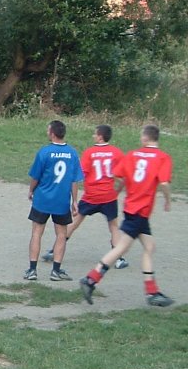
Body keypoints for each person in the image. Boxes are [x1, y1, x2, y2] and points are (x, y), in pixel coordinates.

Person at [80, 124, 174, 307]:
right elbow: (163, 183)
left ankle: (152, 291)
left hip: (133, 207)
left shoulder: (132, 155)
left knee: (149, 246)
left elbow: (118, 175)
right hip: (140, 210)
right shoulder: (163, 157)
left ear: (145, 138)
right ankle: (91, 279)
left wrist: (125, 188)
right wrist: (168, 200)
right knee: (121, 248)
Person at [42, 125, 128, 269]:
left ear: (100, 137)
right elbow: (123, 175)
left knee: (75, 222)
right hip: (108, 196)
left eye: (95, 134)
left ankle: (54, 251)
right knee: (113, 226)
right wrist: (117, 191)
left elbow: (81, 174)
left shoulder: (90, 152)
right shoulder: (116, 152)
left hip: (91, 195)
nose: (93, 136)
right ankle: (119, 258)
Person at [24, 120, 83, 282]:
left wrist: (31, 190)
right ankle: (56, 271)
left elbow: (35, 176)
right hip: (61, 201)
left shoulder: (44, 152)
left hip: (42, 199)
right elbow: (74, 180)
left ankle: (32, 270)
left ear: (52, 133)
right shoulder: (72, 153)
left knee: (37, 232)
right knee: (61, 235)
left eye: (48, 130)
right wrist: (75, 201)